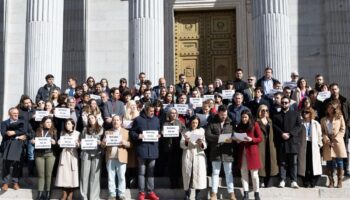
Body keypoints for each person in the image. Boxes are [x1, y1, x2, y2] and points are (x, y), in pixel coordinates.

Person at [130, 103, 161, 200]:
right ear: (146, 110)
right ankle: (142, 193)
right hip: (142, 149)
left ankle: (150, 192)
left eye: (153, 111)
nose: (153, 113)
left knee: (151, 172)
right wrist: (138, 136)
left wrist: (159, 135)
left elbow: (158, 131)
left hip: (153, 149)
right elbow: (132, 132)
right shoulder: (138, 119)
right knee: (141, 171)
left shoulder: (156, 120)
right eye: (151, 111)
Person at [205, 105, 236, 200]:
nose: (223, 116)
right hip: (216, 151)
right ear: (218, 113)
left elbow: (235, 135)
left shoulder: (231, 123)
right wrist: (219, 138)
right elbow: (208, 135)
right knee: (215, 172)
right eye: (222, 114)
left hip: (227, 151)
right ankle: (214, 193)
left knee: (229, 172)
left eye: (225, 114)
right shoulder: (212, 122)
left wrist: (233, 139)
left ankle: (231, 193)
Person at [273, 96, 302, 188]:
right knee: (282, 162)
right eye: (283, 102)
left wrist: (290, 134)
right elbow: (274, 126)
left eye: (286, 102)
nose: (284, 104)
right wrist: (282, 134)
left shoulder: (296, 114)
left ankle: (294, 181)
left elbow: (299, 126)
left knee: (293, 162)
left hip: (292, 141)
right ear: (280, 103)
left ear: (289, 103)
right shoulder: (276, 115)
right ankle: (282, 180)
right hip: (281, 141)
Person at [322, 83, 350, 176]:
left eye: (335, 89)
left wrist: (347, 124)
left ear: (338, 89)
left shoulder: (345, 100)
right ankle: (332, 170)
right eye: (332, 89)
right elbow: (324, 114)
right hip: (330, 128)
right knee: (330, 150)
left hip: (343, 128)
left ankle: (344, 169)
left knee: (343, 149)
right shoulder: (326, 102)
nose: (334, 91)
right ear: (329, 90)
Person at [235, 110, 262, 200]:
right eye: (242, 117)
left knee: (254, 175)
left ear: (249, 117)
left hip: (252, 152)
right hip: (242, 152)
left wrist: (252, 139)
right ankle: (245, 193)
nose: (244, 119)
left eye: (245, 117)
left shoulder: (255, 125)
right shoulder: (239, 126)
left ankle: (256, 193)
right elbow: (236, 137)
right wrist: (237, 140)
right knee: (244, 174)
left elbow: (260, 138)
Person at [102, 115, 131, 200]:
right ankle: (112, 194)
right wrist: (103, 142)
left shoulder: (126, 132)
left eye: (117, 120)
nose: (115, 122)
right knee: (111, 177)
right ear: (112, 122)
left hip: (121, 158)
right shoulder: (107, 132)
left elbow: (130, 145)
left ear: (121, 121)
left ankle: (121, 194)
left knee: (121, 177)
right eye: (114, 120)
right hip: (110, 157)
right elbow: (103, 146)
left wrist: (125, 143)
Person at [321, 100, 347, 188]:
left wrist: (336, 138)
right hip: (328, 143)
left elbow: (343, 129)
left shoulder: (340, 117)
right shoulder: (323, 119)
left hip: (337, 142)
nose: (330, 109)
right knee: (329, 162)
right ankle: (331, 181)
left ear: (335, 109)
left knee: (339, 162)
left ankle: (339, 181)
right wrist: (327, 140)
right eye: (328, 107)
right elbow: (323, 131)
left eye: (331, 108)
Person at [1, 107, 28, 191]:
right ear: (9, 114)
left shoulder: (22, 122)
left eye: (17, 113)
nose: (16, 115)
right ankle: (5, 183)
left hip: (18, 146)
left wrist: (14, 132)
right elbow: (4, 133)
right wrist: (16, 134)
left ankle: (15, 182)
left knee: (17, 165)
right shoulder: (4, 123)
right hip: (7, 145)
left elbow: (25, 131)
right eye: (14, 113)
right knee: (6, 165)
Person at [180, 116, 207, 200]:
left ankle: (197, 197)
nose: (194, 124)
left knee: (198, 176)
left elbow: (205, 145)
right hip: (188, 154)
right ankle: (187, 196)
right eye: (193, 122)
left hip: (198, 155)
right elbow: (181, 144)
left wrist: (201, 143)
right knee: (188, 175)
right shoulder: (185, 131)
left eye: (196, 123)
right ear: (190, 122)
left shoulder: (201, 131)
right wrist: (186, 141)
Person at [31, 116, 57, 200]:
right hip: (39, 155)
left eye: (50, 122)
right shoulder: (38, 130)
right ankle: (40, 193)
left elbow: (57, 143)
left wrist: (54, 142)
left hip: (50, 154)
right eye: (47, 122)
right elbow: (33, 140)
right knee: (41, 175)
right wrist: (33, 141)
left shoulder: (54, 131)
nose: (49, 124)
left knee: (49, 174)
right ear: (43, 123)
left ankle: (48, 192)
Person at [79, 114, 104, 200]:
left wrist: (100, 143)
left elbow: (104, 143)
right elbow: (81, 141)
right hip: (86, 154)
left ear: (96, 119)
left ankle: (93, 197)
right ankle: (83, 197)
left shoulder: (101, 129)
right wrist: (78, 142)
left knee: (95, 176)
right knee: (84, 175)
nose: (90, 119)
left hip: (97, 154)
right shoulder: (85, 129)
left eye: (92, 118)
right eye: (89, 118)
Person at [55, 119, 80, 200]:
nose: (67, 125)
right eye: (66, 124)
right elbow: (60, 144)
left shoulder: (77, 133)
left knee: (72, 175)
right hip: (64, 155)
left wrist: (78, 144)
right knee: (63, 175)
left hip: (73, 155)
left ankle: (70, 194)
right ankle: (64, 194)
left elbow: (79, 145)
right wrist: (59, 142)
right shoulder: (62, 133)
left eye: (69, 124)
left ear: (73, 125)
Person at [298, 108, 323, 188]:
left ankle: (313, 182)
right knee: (304, 164)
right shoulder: (300, 123)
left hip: (313, 145)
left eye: (307, 112)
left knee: (313, 164)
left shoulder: (315, 123)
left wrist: (319, 144)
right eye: (304, 112)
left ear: (311, 113)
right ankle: (305, 181)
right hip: (303, 145)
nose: (305, 113)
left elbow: (319, 135)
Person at [161, 108, 186, 188]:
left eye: (175, 113)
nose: (173, 114)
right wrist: (162, 133)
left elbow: (185, 132)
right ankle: (172, 183)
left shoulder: (180, 123)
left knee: (177, 166)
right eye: (172, 113)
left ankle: (178, 182)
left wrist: (180, 132)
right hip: (168, 147)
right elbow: (162, 134)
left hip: (177, 147)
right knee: (170, 166)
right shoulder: (165, 123)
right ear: (169, 114)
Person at [256, 105, 278, 188]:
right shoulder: (256, 122)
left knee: (270, 161)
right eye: (262, 110)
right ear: (259, 112)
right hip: (261, 144)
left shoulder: (270, 121)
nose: (264, 112)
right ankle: (261, 180)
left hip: (270, 144)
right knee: (261, 162)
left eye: (266, 110)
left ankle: (268, 181)